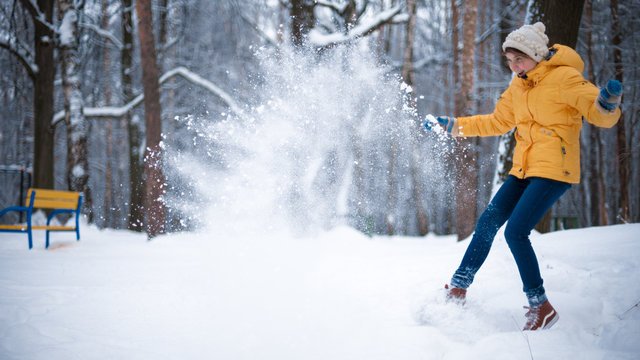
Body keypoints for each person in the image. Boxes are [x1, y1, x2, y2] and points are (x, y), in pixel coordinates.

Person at [423, 22, 622, 330]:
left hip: (555, 169)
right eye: (510, 61)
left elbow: (595, 110)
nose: (514, 66)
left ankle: (540, 306)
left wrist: (607, 104)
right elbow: (498, 121)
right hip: (524, 168)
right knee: (488, 223)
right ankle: (459, 287)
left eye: (520, 59)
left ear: (537, 55)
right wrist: (452, 125)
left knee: (515, 232)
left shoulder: (564, 78)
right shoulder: (518, 84)